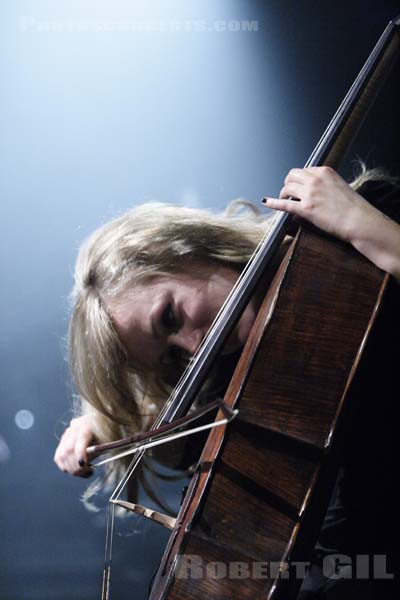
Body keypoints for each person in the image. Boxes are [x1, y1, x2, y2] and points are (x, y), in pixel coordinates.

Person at [54, 165, 400, 479]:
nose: (193, 347)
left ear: (184, 250)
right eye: (172, 356)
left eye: (169, 318)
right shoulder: (230, 399)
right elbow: (163, 438)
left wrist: (363, 225)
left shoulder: (356, 220)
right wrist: (100, 422)